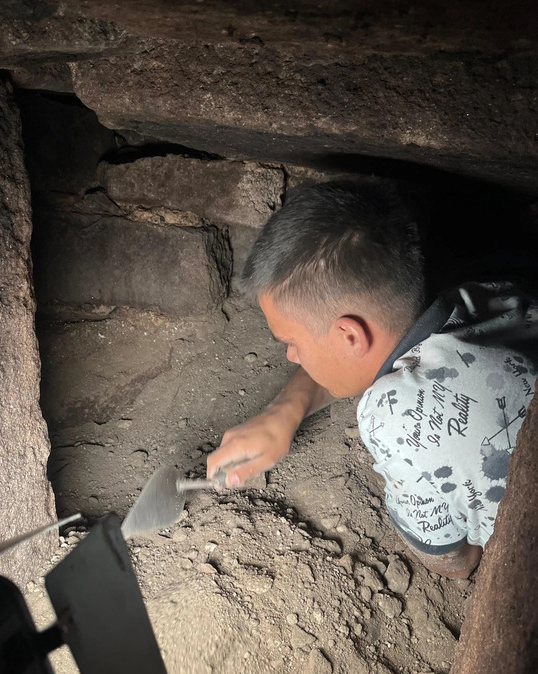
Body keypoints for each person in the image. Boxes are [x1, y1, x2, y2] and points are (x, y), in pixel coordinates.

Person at [206, 180, 538, 579]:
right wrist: (286, 409)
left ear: (349, 336)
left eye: (291, 342)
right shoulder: (481, 294)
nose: (291, 356)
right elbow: (353, 364)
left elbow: (455, 561)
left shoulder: (392, 418)